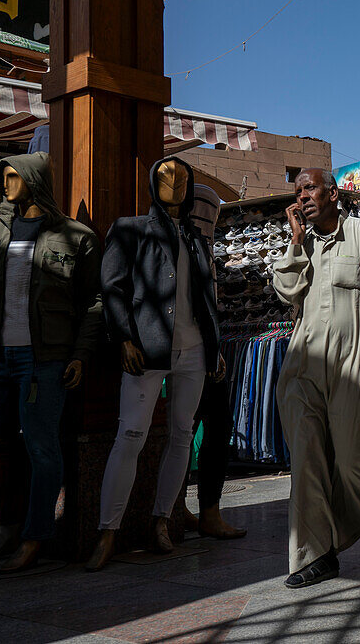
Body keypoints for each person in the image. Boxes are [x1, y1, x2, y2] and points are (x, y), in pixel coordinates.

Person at [272, 168, 360, 588]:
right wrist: (297, 243)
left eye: (310, 187)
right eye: (297, 191)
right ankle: (317, 556)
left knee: (354, 462)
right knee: (306, 461)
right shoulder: (302, 243)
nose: (302, 196)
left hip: (356, 362)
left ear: (333, 193)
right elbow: (286, 292)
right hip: (303, 366)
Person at [87, 157, 226, 572]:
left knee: (182, 435)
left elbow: (205, 299)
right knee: (130, 434)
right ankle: (107, 531)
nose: (175, 183)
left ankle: (161, 521)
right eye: (166, 176)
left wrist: (214, 345)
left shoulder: (196, 238)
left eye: (183, 178)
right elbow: (111, 288)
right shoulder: (130, 229)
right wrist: (124, 337)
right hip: (148, 350)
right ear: (152, 182)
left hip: (194, 350)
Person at [0, 152, 103, 573]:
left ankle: (35, 537)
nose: (5, 183)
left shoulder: (75, 236)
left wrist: (79, 355)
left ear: (34, 178)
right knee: (0, 447)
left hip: (46, 360)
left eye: (12, 176)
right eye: (2, 177)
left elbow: (94, 301)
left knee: (42, 448)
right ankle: (6, 524)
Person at [172, 184, 246, 540]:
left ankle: (200, 511)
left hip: (205, 354)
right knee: (194, 432)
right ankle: (188, 510)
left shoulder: (204, 248)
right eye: (205, 212)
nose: (209, 220)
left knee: (208, 430)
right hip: (182, 356)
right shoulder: (182, 245)